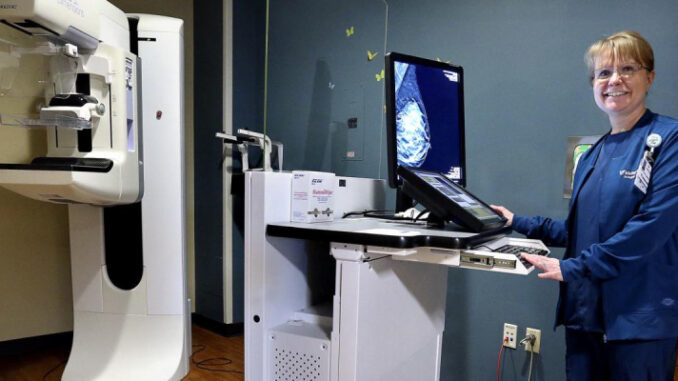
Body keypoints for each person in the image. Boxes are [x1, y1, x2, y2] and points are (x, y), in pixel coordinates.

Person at [491, 30, 678, 381]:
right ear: (593, 83)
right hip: (586, 318)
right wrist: (517, 221)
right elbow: (584, 229)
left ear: (649, 77)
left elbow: (652, 228)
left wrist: (572, 268)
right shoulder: (593, 154)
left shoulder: (669, 141)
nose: (615, 80)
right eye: (604, 73)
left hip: (640, 324)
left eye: (628, 69)